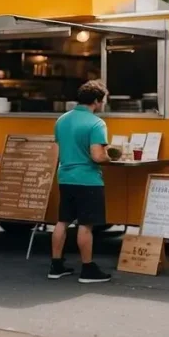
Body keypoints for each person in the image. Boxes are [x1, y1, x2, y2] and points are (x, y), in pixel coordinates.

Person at [50, 80, 113, 284]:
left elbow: (58, 152)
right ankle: (87, 269)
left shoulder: (62, 120)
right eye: (102, 100)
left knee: (62, 221)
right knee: (85, 225)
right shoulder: (96, 123)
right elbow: (97, 156)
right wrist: (109, 157)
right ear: (96, 101)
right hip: (88, 179)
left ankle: (56, 266)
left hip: (65, 176)